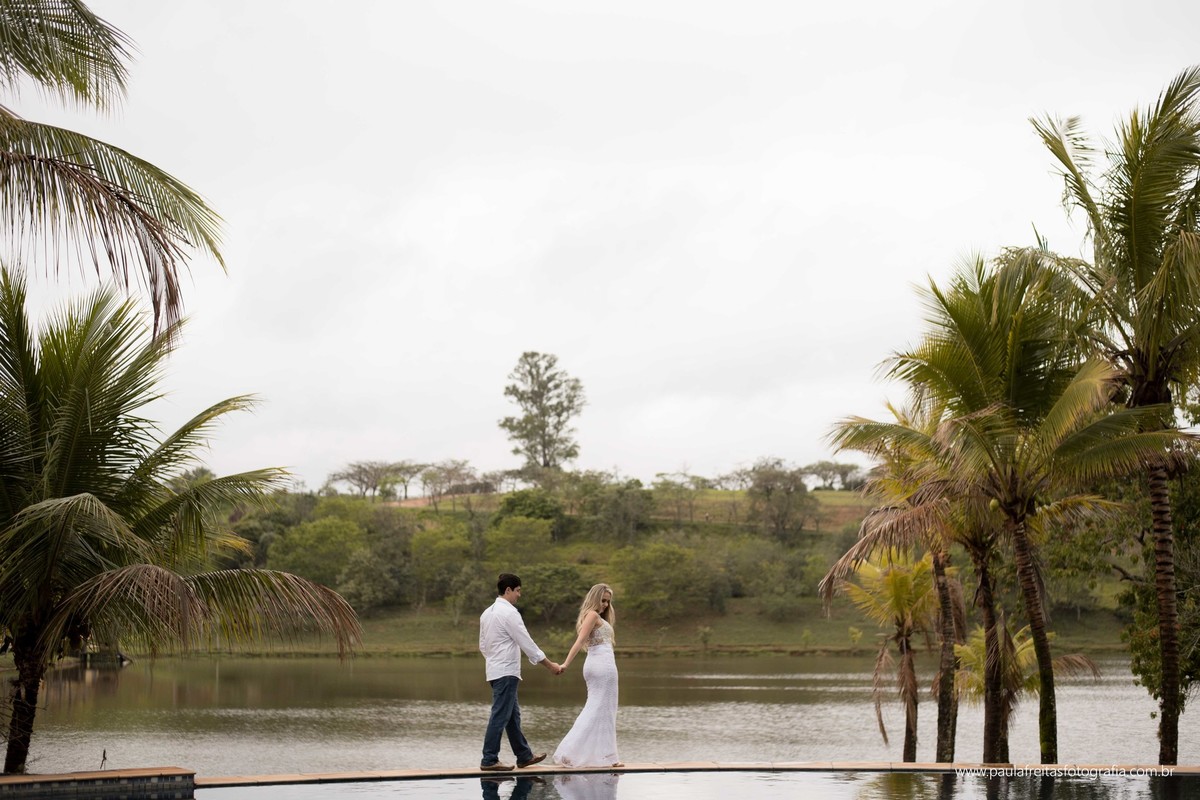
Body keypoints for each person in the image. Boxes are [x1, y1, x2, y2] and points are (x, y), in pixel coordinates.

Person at [479, 572, 562, 771]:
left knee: (512, 716)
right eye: (517, 591)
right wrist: (550, 665)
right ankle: (489, 760)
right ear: (507, 590)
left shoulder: (486, 613)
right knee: (500, 715)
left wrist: (494, 662)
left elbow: (483, 645)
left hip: (495, 670)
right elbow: (526, 642)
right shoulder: (509, 613)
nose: (519, 595)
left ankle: (524, 756)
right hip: (506, 672)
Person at [553, 583, 622, 768]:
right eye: (603, 600)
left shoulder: (596, 616)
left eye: (608, 601)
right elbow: (580, 641)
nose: (606, 604)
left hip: (599, 664)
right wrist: (566, 663)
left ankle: (603, 755)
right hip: (602, 666)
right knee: (603, 709)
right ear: (594, 598)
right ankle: (605, 757)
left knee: (599, 708)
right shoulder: (592, 615)